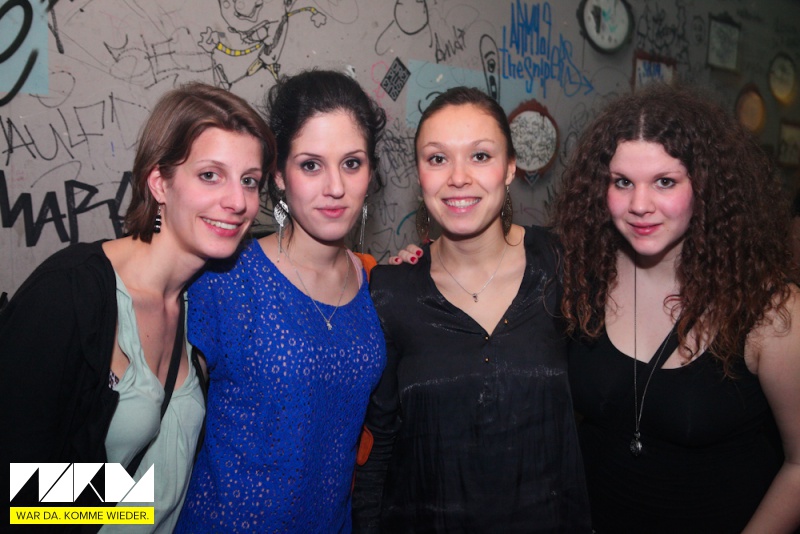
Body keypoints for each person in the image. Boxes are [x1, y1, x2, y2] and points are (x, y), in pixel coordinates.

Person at [0, 82, 275, 533]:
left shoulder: (204, 298)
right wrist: (134, 500)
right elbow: (15, 486)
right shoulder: (69, 293)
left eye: (249, 180)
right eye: (210, 175)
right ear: (159, 182)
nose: (238, 201)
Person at [552, 84, 800, 533]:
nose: (639, 205)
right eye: (622, 182)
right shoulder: (582, 276)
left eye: (665, 182)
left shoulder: (770, 310)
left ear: (705, 186)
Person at [352, 87, 591, 532]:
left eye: (480, 156)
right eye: (438, 158)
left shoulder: (563, 265)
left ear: (510, 167)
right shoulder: (391, 290)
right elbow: (376, 445)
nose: (458, 177)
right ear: (420, 175)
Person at [175, 69, 387, 533]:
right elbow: (148, 439)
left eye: (352, 163)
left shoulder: (375, 282)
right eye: (311, 165)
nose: (335, 187)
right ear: (278, 174)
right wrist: (51, 510)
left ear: (370, 173)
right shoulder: (226, 280)